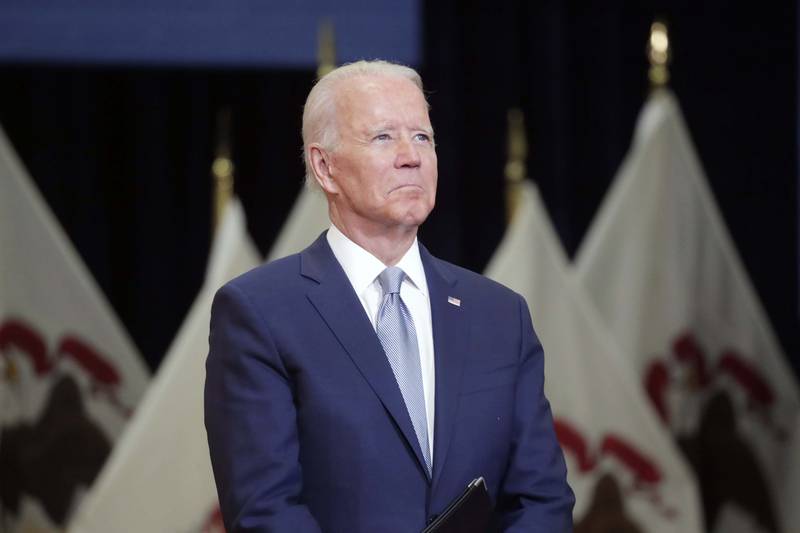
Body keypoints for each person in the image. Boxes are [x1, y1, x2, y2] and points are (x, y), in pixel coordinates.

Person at [204, 60, 574, 533]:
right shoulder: (259, 314)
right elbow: (265, 511)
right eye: (383, 137)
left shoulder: (500, 315)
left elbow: (542, 500)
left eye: (423, 137)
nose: (411, 156)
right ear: (325, 166)